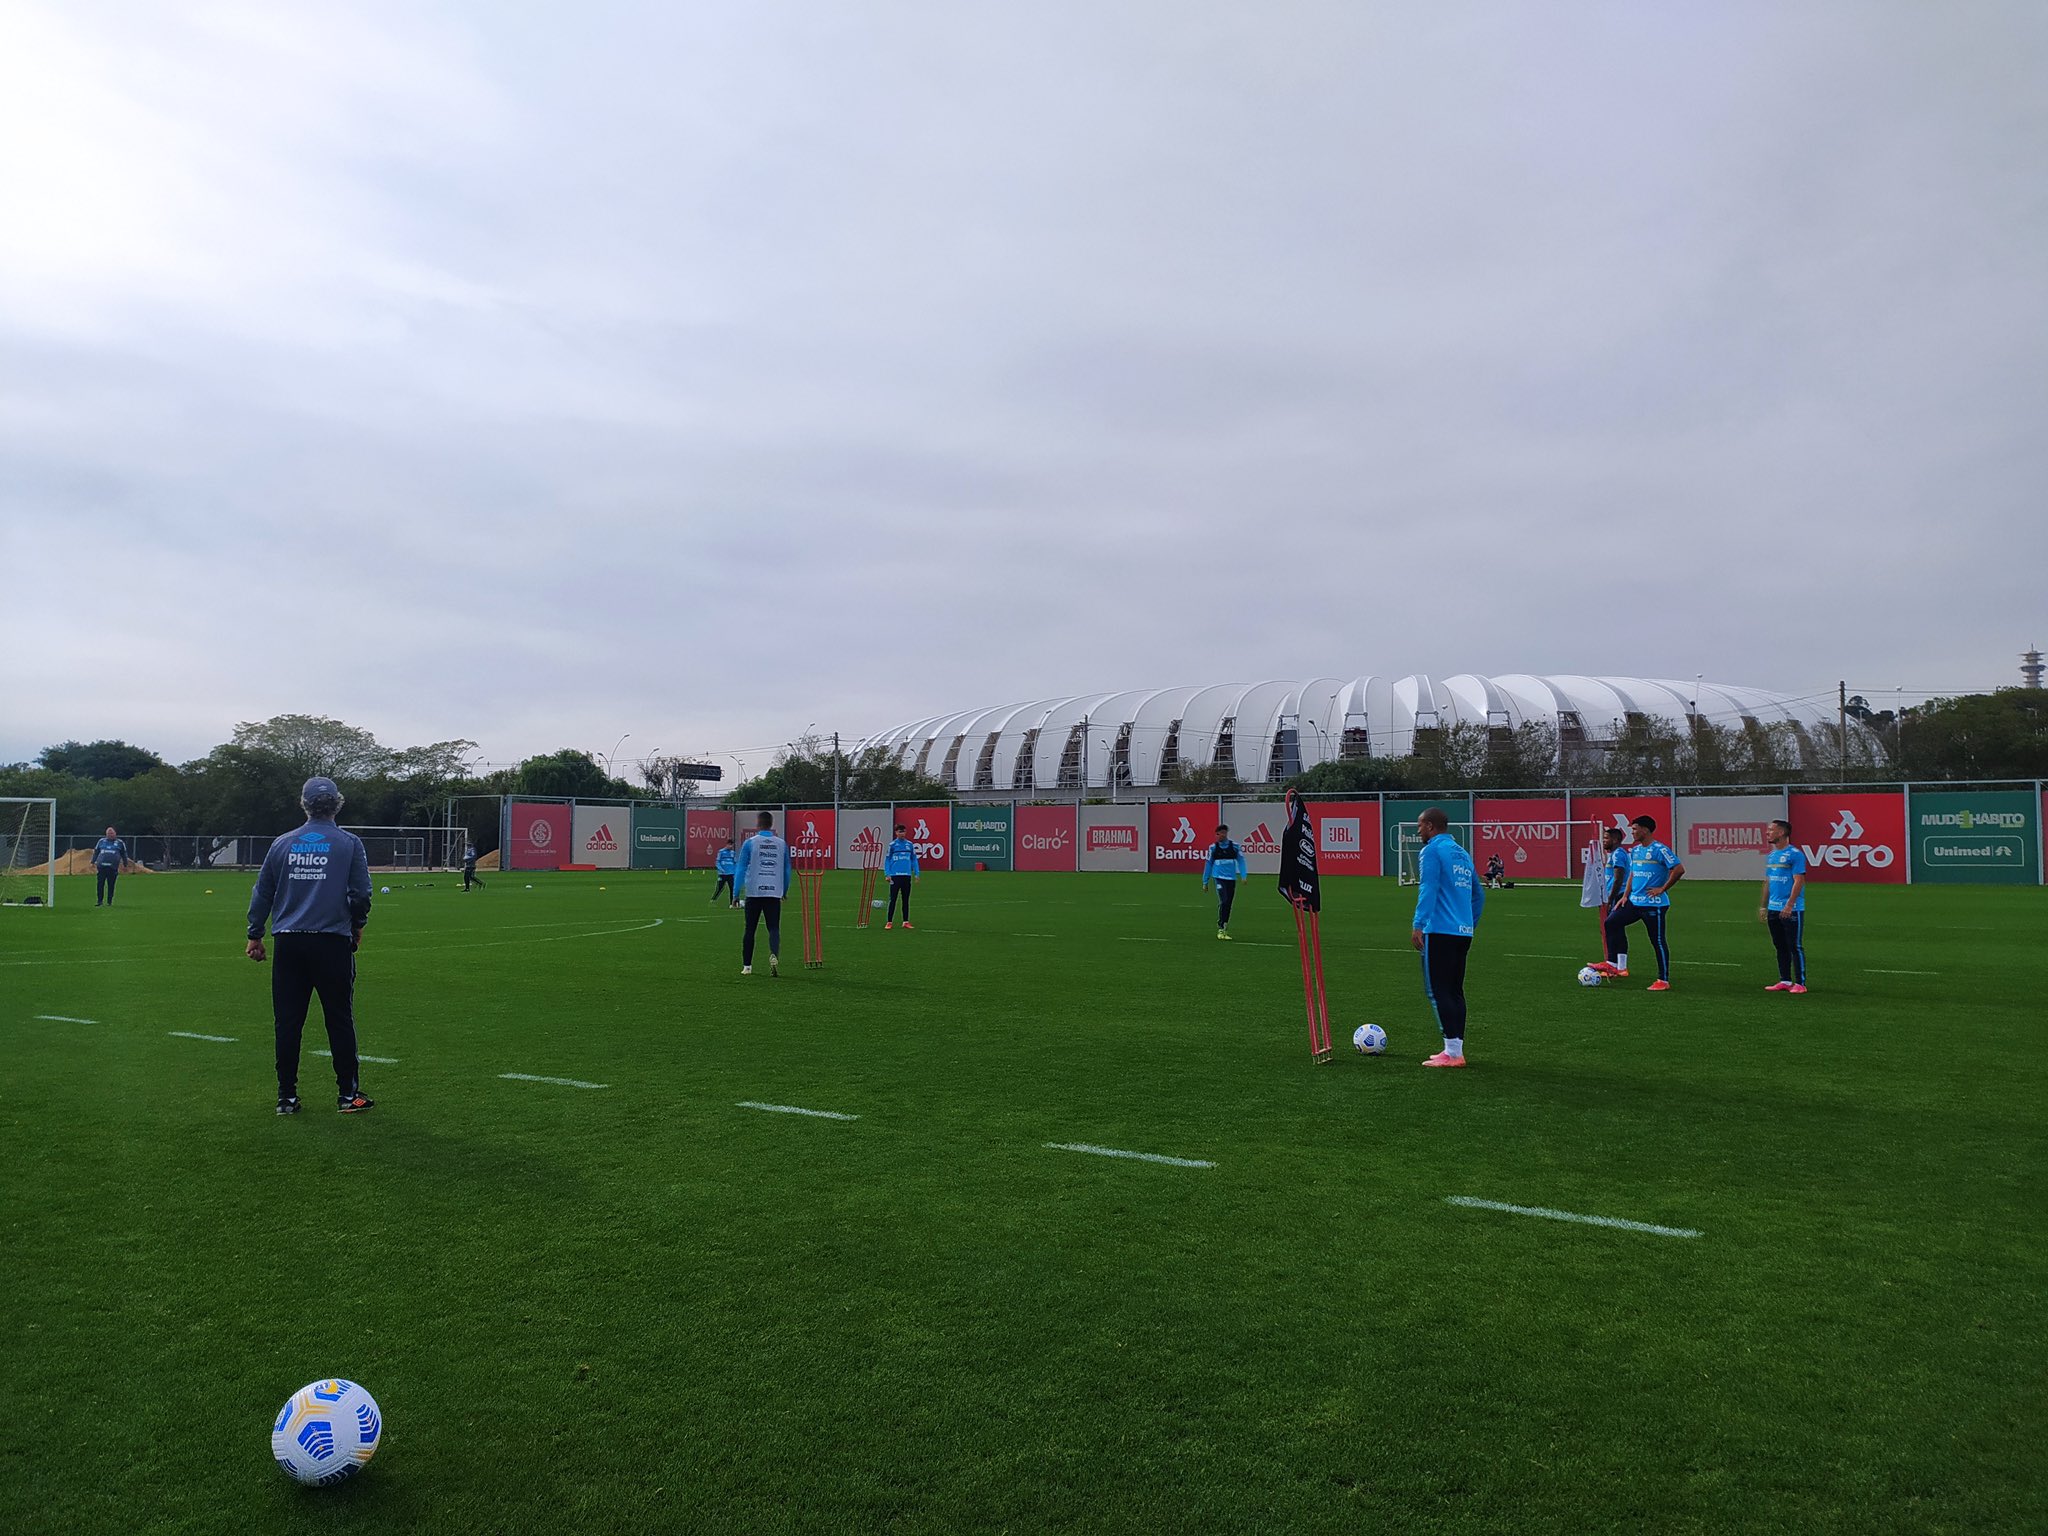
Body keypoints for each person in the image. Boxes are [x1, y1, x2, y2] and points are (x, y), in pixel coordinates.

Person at [246, 777, 375, 1115]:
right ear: (337, 804)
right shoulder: (349, 844)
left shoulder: (282, 844)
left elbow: (262, 892)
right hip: (332, 942)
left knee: (287, 1022)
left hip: (289, 942)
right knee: (339, 1018)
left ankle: (286, 1097)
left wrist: (254, 933)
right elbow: (361, 893)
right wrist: (357, 925)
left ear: (303, 804)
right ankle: (348, 1096)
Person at [1411, 809, 1485, 1067]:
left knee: (1438, 990)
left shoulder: (1431, 850)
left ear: (1430, 826)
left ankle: (1452, 1053)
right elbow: (1479, 895)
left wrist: (1419, 924)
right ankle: (1455, 1049)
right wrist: (1468, 922)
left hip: (1440, 930)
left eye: (1420, 826)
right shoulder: (1462, 854)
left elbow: (1428, 887)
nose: (1418, 831)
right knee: (1455, 990)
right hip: (1463, 932)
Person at [1601, 814, 1685, 990]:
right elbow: (1632, 874)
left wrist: (1662, 888)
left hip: (1654, 904)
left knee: (1657, 941)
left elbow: (1678, 869)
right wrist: (1625, 896)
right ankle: (1612, 964)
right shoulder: (1636, 851)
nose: (1632, 832)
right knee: (1611, 922)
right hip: (1634, 902)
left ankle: (1663, 980)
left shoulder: (1659, 849)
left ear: (1645, 830)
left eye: (1634, 829)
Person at [734, 811, 793, 976]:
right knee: (773, 928)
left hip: (754, 892)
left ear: (758, 824)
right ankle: (773, 955)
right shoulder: (781, 844)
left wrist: (735, 893)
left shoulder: (750, 843)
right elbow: (787, 870)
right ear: (771, 824)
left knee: (750, 929)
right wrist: (784, 890)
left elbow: (740, 869)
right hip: (774, 891)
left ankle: (747, 966)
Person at [1760, 818, 1809, 993]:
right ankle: (1785, 980)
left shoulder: (1795, 854)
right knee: (1779, 945)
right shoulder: (1772, 856)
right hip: (1773, 908)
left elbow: (1799, 880)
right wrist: (1763, 906)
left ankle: (1800, 983)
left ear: (1781, 832)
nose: (1767, 833)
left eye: (1770, 830)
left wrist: (1789, 905)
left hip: (1791, 909)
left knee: (1794, 945)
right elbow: (1768, 881)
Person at [1588, 827, 1631, 976]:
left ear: (1615, 840)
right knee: (1617, 929)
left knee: (1611, 927)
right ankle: (1621, 967)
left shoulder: (1618, 854)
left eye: (1606, 839)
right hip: (1614, 896)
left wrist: (1611, 899)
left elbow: (1619, 878)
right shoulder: (1615, 854)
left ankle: (1613, 965)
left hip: (1617, 896)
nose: (1603, 841)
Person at [1202, 823, 1247, 939]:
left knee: (1229, 903)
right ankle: (1220, 927)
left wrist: (1243, 875)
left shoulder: (1234, 847)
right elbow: (1208, 864)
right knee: (1224, 901)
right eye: (1217, 834)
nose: (1219, 836)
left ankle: (1224, 928)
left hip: (1231, 879)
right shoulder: (1213, 848)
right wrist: (1205, 881)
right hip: (1219, 878)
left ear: (1225, 833)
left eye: (1222, 833)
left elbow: (1241, 861)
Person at [882, 823, 919, 929]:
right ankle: (889, 922)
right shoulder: (892, 845)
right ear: (896, 833)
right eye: (899, 832)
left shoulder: (910, 844)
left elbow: (914, 859)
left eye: (903, 831)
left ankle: (905, 921)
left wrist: (916, 873)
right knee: (893, 899)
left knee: (905, 899)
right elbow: (887, 860)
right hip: (895, 876)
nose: (902, 834)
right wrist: (887, 874)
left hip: (906, 875)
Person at [91, 826, 127, 907]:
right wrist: (92, 861)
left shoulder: (120, 842)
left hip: (113, 867)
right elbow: (96, 852)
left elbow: (124, 854)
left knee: (111, 885)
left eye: (111, 833)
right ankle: (99, 901)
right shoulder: (101, 841)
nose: (110, 835)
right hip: (101, 867)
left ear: (115, 833)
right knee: (100, 884)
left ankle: (109, 902)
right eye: (108, 833)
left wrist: (125, 864)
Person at [712, 838, 737, 906]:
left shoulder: (733, 853)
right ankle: (713, 899)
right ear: (727, 844)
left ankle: (731, 903)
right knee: (720, 888)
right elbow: (717, 861)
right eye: (730, 845)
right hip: (722, 874)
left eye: (732, 845)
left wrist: (735, 871)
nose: (731, 847)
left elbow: (735, 862)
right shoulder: (721, 852)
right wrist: (720, 869)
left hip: (730, 874)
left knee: (732, 888)